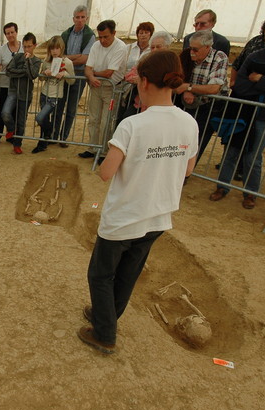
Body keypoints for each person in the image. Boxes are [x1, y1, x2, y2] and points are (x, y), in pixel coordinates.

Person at [78, 50, 198, 354]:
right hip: (157, 217)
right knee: (128, 273)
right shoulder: (189, 124)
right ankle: (107, 317)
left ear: (144, 82)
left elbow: (106, 173)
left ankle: (104, 334)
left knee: (101, 274)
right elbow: (188, 169)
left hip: (125, 216)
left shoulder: (132, 125)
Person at [209, 15, 265, 210]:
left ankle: (250, 193)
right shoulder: (255, 56)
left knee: (254, 155)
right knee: (231, 149)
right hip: (243, 112)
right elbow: (240, 85)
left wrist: (259, 79)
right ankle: (222, 186)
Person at [174, 30, 228, 163]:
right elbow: (177, 79)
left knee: (197, 141)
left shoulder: (219, 57)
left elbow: (214, 88)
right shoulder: (187, 55)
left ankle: (186, 171)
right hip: (186, 105)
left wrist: (188, 87)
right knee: (179, 138)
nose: (192, 52)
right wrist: (186, 89)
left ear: (207, 47)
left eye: (196, 49)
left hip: (209, 107)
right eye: (190, 48)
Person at [79, 20, 127, 160]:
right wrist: (91, 76)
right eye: (100, 37)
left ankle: (104, 151)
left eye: (106, 37)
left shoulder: (121, 47)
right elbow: (87, 68)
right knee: (93, 119)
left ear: (114, 33)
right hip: (95, 86)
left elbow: (108, 73)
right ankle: (93, 148)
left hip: (112, 88)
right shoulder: (95, 45)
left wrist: (93, 74)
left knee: (106, 121)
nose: (102, 40)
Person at [59, 5, 95, 147]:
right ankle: (54, 135)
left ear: (86, 18)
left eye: (82, 17)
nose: (80, 20)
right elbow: (60, 55)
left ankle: (63, 137)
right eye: (77, 17)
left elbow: (85, 59)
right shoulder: (66, 34)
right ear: (73, 18)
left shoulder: (90, 36)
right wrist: (76, 57)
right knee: (59, 105)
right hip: (64, 73)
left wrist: (68, 59)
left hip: (79, 74)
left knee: (71, 108)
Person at [1, 32, 42, 155]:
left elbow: (32, 75)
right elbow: (8, 70)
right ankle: (11, 129)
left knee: (21, 121)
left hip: (26, 94)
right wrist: (23, 72)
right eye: (25, 46)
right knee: (5, 113)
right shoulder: (18, 56)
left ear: (35, 45)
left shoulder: (36, 61)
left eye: (29, 46)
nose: (26, 49)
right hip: (13, 91)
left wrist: (28, 63)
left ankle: (17, 144)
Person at [33, 36, 75, 153]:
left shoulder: (67, 62)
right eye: (52, 48)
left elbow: (72, 81)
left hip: (56, 97)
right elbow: (40, 79)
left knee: (40, 117)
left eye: (57, 48)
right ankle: (42, 144)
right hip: (44, 94)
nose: (54, 51)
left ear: (62, 48)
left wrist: (65, 74)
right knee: (43, 119)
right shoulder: (46, 61)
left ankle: (49, 132)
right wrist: (44, 73)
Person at [231, 7, 265, 86]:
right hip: (243, 93)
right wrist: (233, 83)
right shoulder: (255, 42)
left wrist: (261, 80)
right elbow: (237, 64)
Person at [0, 22, 23, 146]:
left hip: (19, 86)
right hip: (4, 86)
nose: (10, 35)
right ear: (5, 35)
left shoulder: (23, 47)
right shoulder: (1, 50)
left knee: (15, 112)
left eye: (12, 32)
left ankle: (12, 135)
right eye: (8, 33)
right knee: (1, 111)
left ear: (16, 32)